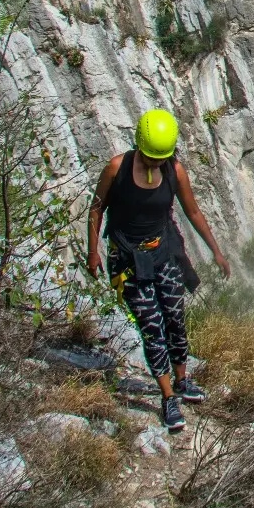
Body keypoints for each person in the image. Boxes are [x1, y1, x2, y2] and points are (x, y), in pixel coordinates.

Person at [85, 109, 230, 432]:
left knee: (175, 317)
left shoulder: (174, 171)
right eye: (150, 158)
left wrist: (217, 252)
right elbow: (96, 208)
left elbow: (192, 211)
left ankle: (182, 379)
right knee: (152, 326)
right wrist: (92, 251)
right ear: (139, 145)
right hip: (128, 259)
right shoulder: (116, 169)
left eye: (159, 158)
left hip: (164, 252)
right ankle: (167, 398)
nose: (153, 164)